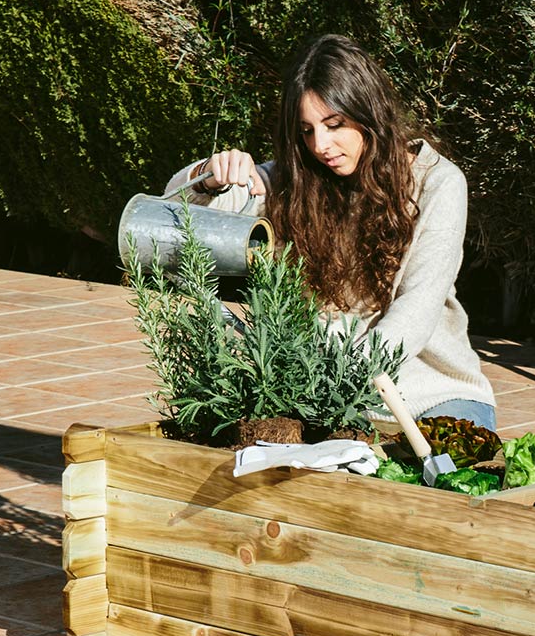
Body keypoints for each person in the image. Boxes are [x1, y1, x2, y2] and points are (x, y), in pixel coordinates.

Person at [164, 33, 497, 430]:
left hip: (431, 392)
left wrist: (338, 384)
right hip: (321, 398)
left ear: (368, 112)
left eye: (334, 124)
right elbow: (169, 217)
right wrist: (207, 177)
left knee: (450, 470)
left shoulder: (438, 182)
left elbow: (417, 310)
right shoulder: (293, 180)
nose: (320, 145)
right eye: (306, 131)